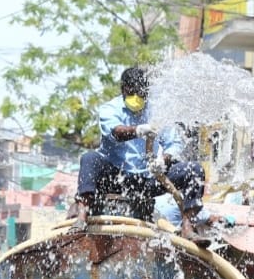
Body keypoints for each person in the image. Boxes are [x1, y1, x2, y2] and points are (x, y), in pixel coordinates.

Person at [75, 66, 207, 238]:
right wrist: (137, 130)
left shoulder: (156, 111)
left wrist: (164, 160)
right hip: (117, 177)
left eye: (142, 93)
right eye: (133, 92)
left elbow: (174, 143)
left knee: (194, 170)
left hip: (148, 179)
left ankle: (188, 228)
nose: (138, 97)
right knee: (89, 158)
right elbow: (115, 132)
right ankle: (81, 217)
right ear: (124, 90)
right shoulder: (110, 109)